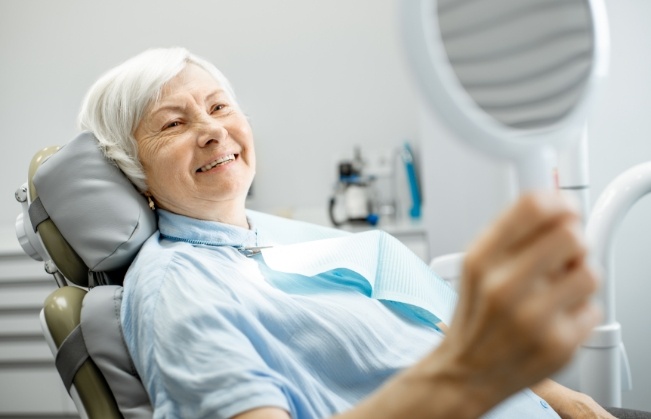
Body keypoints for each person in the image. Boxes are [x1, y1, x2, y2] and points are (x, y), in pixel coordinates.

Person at [77, 46, 637, 419]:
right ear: (133, 169)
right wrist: (468, 372)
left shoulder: (270, 235)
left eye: (220, 106)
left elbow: (436, 332)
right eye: (173, 124)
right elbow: (465, 357)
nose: (211, 130)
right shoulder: (177, 288)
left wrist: (566, 399)